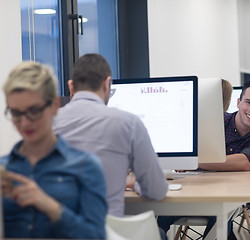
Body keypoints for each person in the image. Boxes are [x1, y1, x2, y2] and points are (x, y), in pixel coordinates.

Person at [158, 80, 250, 238]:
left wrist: (194, 162)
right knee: (157, 219)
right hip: (195, 189)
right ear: (238, 102)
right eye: (248, 102)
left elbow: (244, 162)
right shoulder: (216, 121)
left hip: (230, 197)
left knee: (221, 220)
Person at [0, 61, 107, 239]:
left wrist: (51, 207)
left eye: (34, 111)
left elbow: (95, 236)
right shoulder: (0, 170)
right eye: (16, 113)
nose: (24, 123)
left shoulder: (85, 166)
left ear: (55, 106)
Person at [53, 53, 168, 218]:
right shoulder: (128, 122)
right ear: (107, 84)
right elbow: (156, 191)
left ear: (71, 87)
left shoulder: (47, 124)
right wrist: (135, 184)